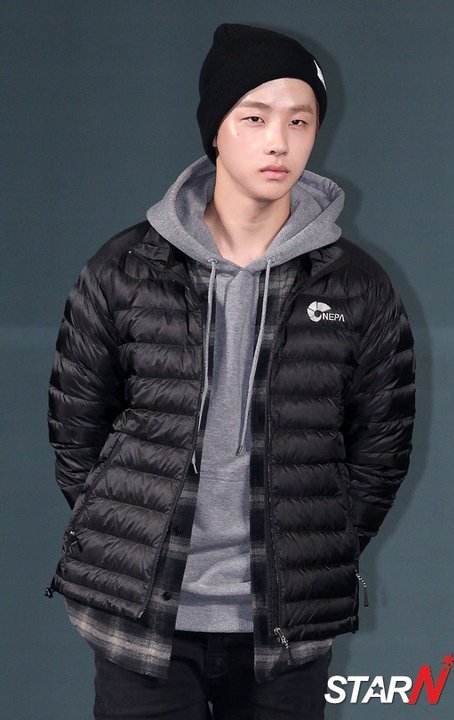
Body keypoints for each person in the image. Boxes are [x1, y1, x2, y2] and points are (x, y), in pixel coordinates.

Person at [44, 22, 415, 720]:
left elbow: (382, 446)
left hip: (285, 627)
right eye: (254, 117)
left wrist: (315, 545)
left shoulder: (357, 285)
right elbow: (76, 432)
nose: (279, 142)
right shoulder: (125, 268)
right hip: (141, 623)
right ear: (215, 129)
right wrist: (131, 535)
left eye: (299, 121)